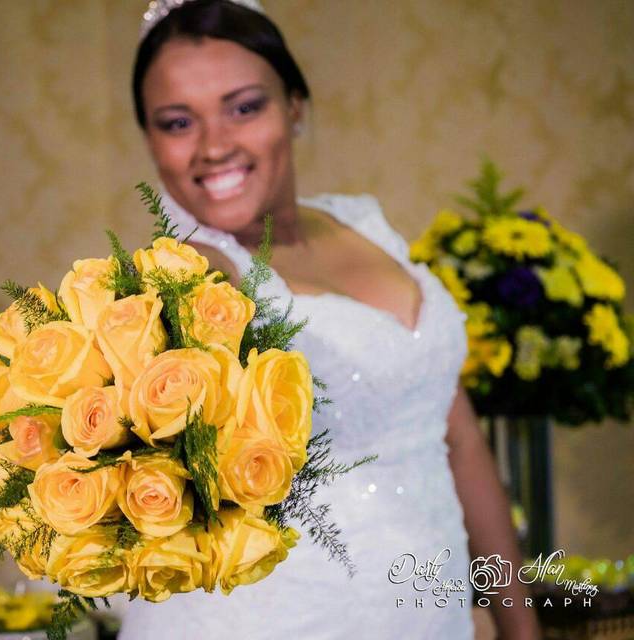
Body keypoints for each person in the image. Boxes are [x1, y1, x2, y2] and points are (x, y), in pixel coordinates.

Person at [118, 1, 542, 638]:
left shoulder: (363, 223)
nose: (214, 146)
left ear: (295, 105)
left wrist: (519, 627)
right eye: (178, 122)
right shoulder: (192, 275)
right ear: (151, 141)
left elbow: (459, 441)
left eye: (244, 107)